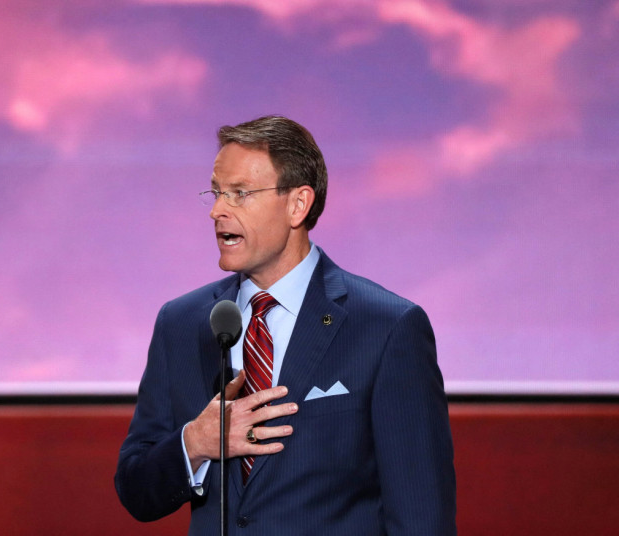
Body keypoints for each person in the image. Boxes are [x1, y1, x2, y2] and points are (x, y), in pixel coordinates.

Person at [115, 115, 457, 535]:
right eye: (217, 193)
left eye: (240, 194)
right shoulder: (182, 324)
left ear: (298, 204)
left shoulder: (386, 328)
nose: (218, 211)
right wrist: (196, 443)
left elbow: (421, 515)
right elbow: (136, 490)